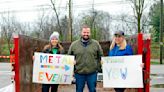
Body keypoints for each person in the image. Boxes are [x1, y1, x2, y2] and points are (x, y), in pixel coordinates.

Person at [68, 25, 103, 92]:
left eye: (87, 32)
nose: (86, 34)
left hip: (92, 73)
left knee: (92, 90)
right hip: (79, 73)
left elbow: (101, 56)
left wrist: (97, 67)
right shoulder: (74, 44)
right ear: (81, 33)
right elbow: (69, 57)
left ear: (90, 33)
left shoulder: (96, 44)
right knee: (79, 90)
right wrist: (72, 63)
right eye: (84, 32)